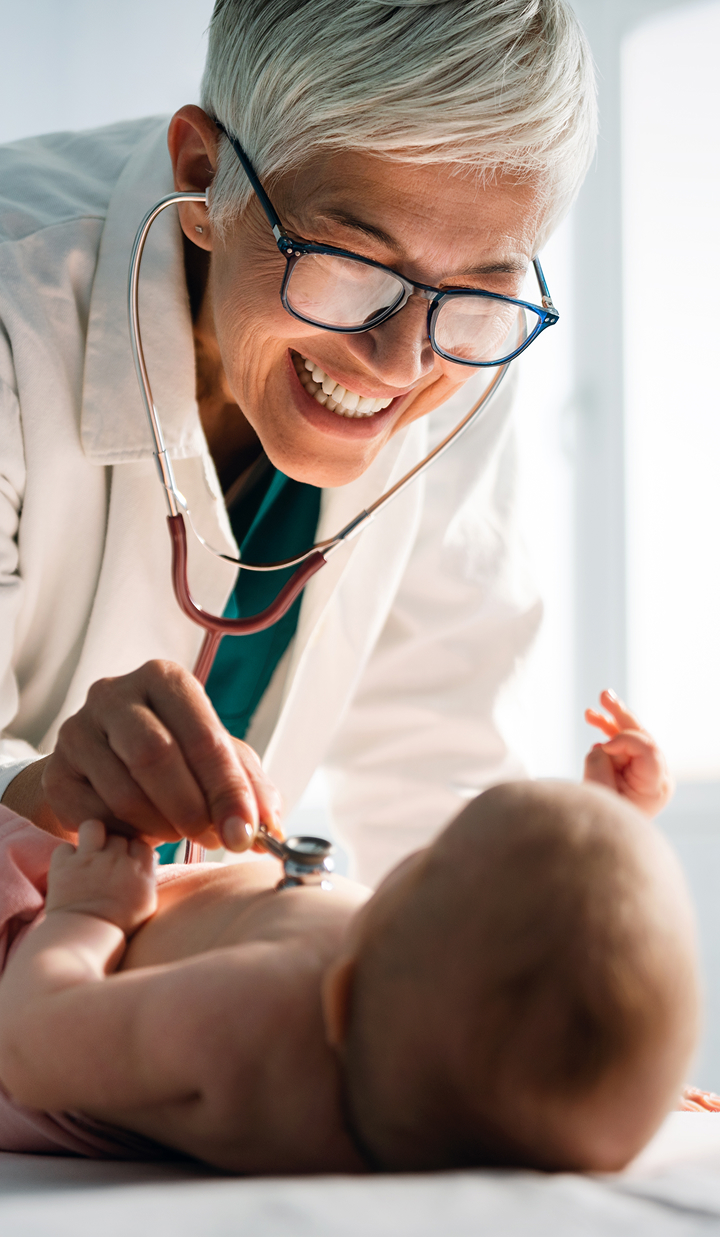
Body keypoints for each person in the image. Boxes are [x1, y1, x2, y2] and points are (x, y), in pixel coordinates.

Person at [0, 0, 597, 884]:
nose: (400, 363)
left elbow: (436, 759)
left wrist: (536, 908)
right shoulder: (19, 315)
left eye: (477, 289)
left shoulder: (464, 347)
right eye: (352, 266)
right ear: (206, 176)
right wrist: (47, 791)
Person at [0, 694, 702, 1170]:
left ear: (338, 996)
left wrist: (87, 913)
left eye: (428, 862)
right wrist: (598, 827)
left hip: (25, 935)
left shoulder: (252, 1019)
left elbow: (29, 1044)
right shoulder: (454, 1065)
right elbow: (531, 994)